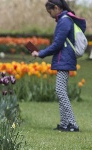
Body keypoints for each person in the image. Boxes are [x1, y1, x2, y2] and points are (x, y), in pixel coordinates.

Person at [31, 0, 86, 132]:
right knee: (61, 91)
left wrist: (40, 53)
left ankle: (73, 124)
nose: (50, 14)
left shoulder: (64, 21)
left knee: (60, 91)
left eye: (50, 11)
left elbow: (57, 44)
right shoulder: (65, 19)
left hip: (64, 61)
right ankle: (64, 123)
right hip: (64, 60)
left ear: (56, 8)